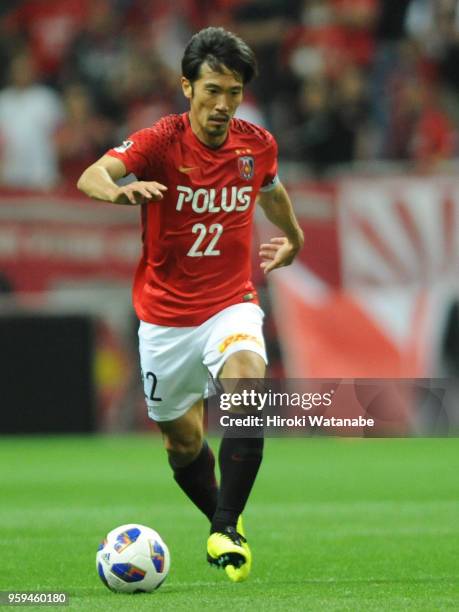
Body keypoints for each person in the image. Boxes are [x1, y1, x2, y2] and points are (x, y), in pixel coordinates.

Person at [77, 26, 304, 582]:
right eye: (212, 91)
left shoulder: (257, 144)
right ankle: (223, 518)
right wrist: (118, 191)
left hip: (231, 303)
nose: (223, 105)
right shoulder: (159, 142)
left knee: (248, 383)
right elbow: (93, 174)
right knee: (182, 443)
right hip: (165, 319)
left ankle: (226, 528)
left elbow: (270, 189)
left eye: (233, 92)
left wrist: (294, 238)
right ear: (187, 87)